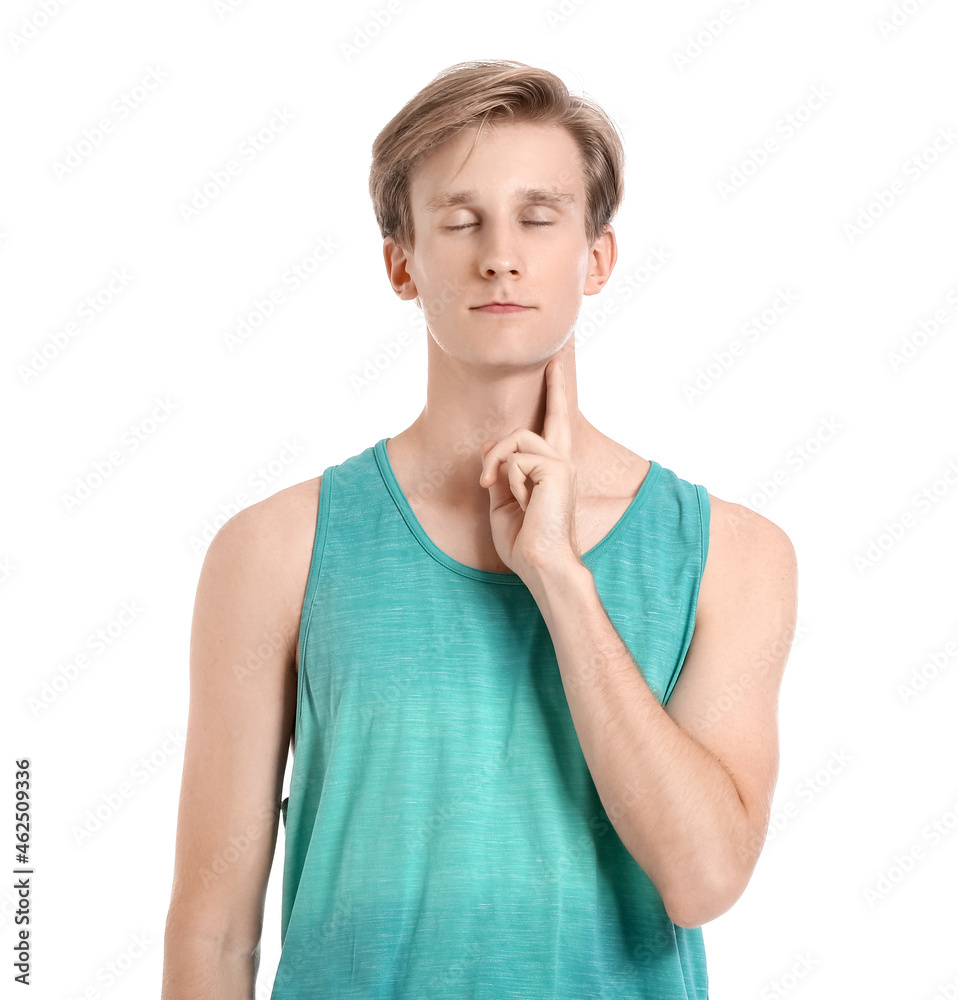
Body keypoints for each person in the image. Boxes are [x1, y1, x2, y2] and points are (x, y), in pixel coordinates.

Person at [161, 59, 798, 999]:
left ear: (597, 257)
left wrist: (559, 579)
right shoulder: (275, 551)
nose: (501, 252)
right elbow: (212, 938)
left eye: (539, 217)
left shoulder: (733, 557)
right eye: (460, 220)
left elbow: (703, 880)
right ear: (401, 263)